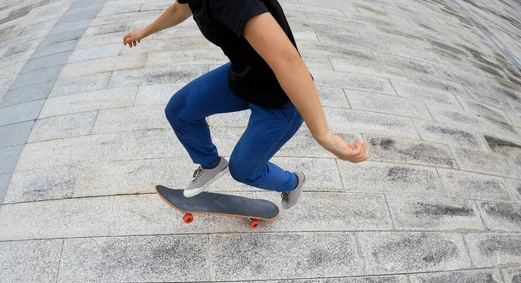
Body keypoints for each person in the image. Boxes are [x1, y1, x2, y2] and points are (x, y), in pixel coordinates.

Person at [124, 0, 367, 210]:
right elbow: (180, 8)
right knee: (179, 110)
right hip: (245, 76)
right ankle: (211, 164)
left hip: (281, 97)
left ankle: (292, 182)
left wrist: (324, 136)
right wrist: (144, 32)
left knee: (244, 170)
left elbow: (289, 62)